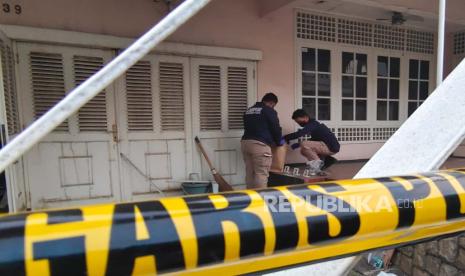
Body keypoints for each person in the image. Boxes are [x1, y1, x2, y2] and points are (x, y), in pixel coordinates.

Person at [241, 92, 283, 189]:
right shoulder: (268, 110)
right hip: (260, 145)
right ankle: (261, 199)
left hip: (245, 143)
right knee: (261, 173)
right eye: (274, 106)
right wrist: (278, 142)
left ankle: (250, 198)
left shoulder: (248, 110)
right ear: (272, 103)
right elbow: (275, 128)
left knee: (250, 173)